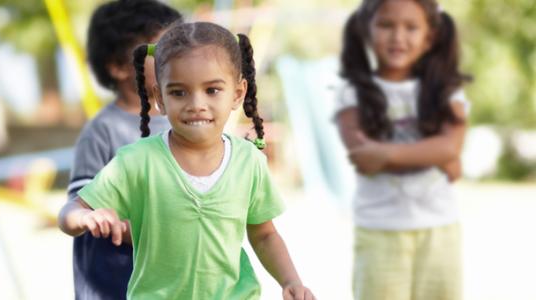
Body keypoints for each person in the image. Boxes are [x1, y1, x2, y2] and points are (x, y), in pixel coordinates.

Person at [59, 22, 315, 300]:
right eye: (179, 92)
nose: (196, 104)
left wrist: (290, 280)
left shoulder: (249, 161)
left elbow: (264, 234)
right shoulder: (137, 161)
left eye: (212, 90)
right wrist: (86, 216)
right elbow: (68, 214)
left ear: (238, 94)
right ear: (160, 98)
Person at [334, 0, 471, 299]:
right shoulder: (351, 92)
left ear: (430, 37)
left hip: (440, 230)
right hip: (379, 232)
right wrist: (434, 155)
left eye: (411, 27)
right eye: (386, 25)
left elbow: (451, 146)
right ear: (366, 31)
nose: (398, 37)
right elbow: (364, 158)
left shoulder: (446, 89)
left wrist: (386, 153)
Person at [66, 1, 182, 298]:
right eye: (161, 50)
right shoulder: (103, 131)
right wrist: (89, 218)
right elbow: (75, 208)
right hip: (118, 280)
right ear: (118, 67)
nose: (178, 57)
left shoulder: (190, 120)